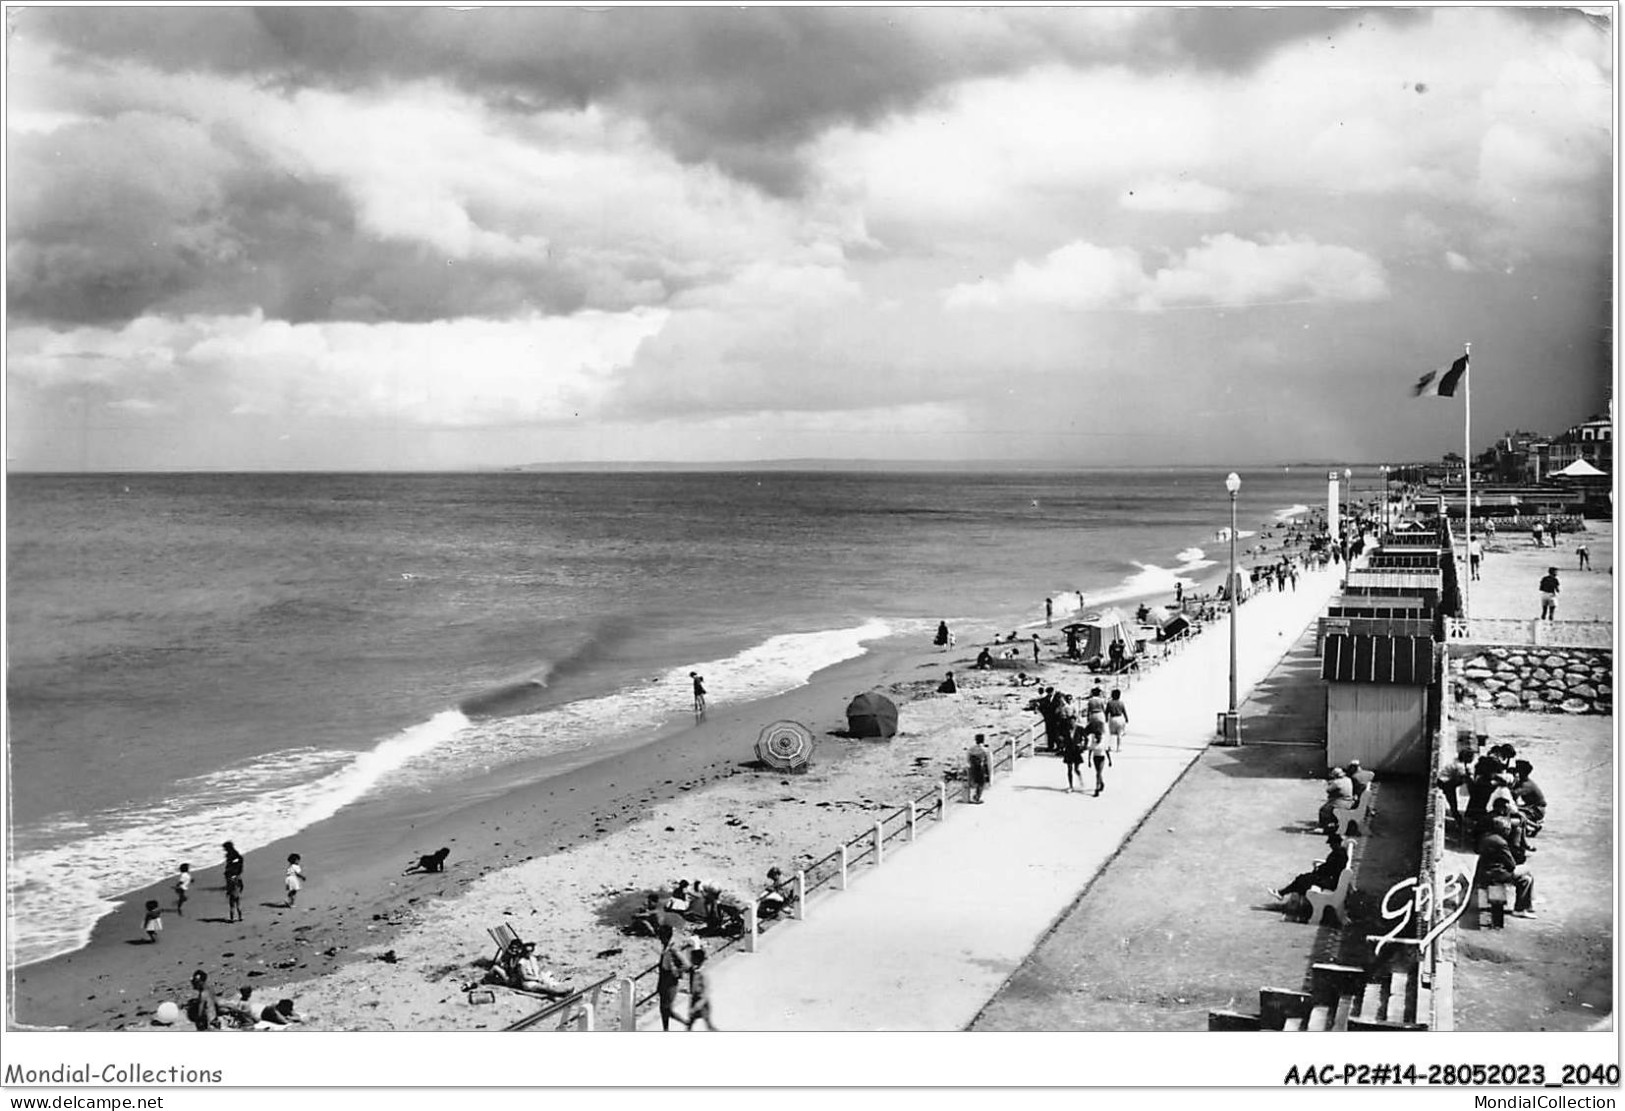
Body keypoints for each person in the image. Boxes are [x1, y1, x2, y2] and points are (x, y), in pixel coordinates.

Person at [1266, 832, 1350, 908]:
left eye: (1331, 844)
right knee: (1303, 878)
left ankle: (1284, 894)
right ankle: (1283, 893)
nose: (1330, 846)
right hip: (1330, 879)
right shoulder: (1340, 853)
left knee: (1302, 879)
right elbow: (1330, 867)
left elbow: (1330, 869)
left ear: (1336, 843)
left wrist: (1319, 869)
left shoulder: (1338, 855)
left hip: (1329, 882)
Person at [1476, 817, 1535, 918]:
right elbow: (1511, 865)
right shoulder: (1501, 843)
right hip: (1496, 874)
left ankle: (1527, 903)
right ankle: (1520, 908)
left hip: (1485, 872)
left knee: (1525, 874)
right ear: (1503, 830)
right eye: (1508, 829)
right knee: (1526, 877)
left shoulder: (1486, 837)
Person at [656, 925, 691, 1031]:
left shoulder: (673, 949)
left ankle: (672, 1028)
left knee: (666, 1009)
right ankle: (669, 1028)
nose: (660, 939)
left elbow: (686, 964)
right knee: (664, 1009)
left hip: (670, 983)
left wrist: (677, 972)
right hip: (664, 981)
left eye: (662, 936)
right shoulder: (666, 948)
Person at [1512, 760, 1547, 835]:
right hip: (1533, 807)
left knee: (1515, 812)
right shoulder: (1524, 782)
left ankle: (1533, 826)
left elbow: (1513, 794)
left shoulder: (1526, 785)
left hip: (1537, 810)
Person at [685, 947, 715, 1031]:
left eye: (692, 958)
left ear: (697, 960)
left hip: (702, 1003)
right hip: (695, 1000)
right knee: (689, 1025)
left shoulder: (703, 974)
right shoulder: (693, 970)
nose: (690, 959)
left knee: (709, 1026)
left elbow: (706, 992)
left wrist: (696, 1006)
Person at [1318, 767, 1354, 833]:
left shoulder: (1336, 782)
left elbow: (1328, 790)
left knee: (1323, 810)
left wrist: (1330, 783)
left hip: (1339, 802)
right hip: (1349, 802)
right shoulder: (1348, 780)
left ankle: (1323, 827)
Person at [1059, 723, 1085, 794]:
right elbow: (1062, 738)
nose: (1072, 724)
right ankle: (1070, 786)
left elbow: (1086, 738)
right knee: (1069, 769)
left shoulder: (1080, 729)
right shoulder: (1066, 729)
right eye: (1070, 722)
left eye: (1073, 722)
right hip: (1068, 751)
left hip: (1076, 751)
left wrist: (1083, 747)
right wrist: (1062, 742)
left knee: (1076, 769)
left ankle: (1080, 780)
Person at [1087, 720, 1111, 796]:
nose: (1099, 737)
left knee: (1098, 773)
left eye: (1100, 736)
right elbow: (1090, 751)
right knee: (1098, 773)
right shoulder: (1093, 742)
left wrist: (1110, 761)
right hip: (1095, 758)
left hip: (1102, 758)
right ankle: (1102, 783)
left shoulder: (1103, 742)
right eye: (1098, 736)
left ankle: (1096, 789)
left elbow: (1107, 751)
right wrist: (1089, 761)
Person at [966, 733, 991, 804]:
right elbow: (987, 759)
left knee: (972, 781)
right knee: (981, 783)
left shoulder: (971, 749)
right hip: (980, 767)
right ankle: (977, 797)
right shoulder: (984, 750)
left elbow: (967, 758)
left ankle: (971, 797)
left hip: (972, 766)